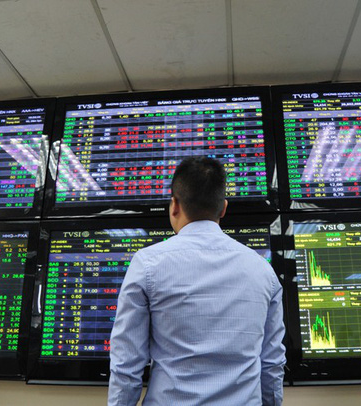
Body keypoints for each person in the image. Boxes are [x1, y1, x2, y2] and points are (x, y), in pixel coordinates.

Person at [108, 156, 286, 406]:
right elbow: (272, 364)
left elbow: (127, 364)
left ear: (174, 205)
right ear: (223, 208)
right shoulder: (263, 271)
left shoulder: (147, 264)